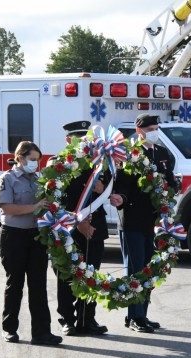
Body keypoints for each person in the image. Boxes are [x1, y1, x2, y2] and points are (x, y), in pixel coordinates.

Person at [110, 113, 176, 333]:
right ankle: (133, 317)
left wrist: (173, 188)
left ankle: (143, 314)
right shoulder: (129, 154)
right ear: (139, 132)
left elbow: (169, 181)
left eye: (156, 128)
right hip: (132, 220)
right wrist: (121, 198)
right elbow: (122, 186)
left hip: (153, 221)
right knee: (135, 269)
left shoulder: (163, 153)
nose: (155, 132)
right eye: (150, 129)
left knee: (148, 269)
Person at [0, 141, 62, 345]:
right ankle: (9, 329)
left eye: (38, 161)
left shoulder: (38, 179)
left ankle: (41, 333)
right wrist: (34, 207)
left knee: (38, 286)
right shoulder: (7, 179)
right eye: (32, 160)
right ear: (20, 158)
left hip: (35, 237)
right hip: (13, 236)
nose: (35, 164)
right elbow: (6, 207)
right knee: (15, 284)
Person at [56, 121, 110, 336]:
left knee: (91, 274)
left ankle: (88, 318)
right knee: (67, 275)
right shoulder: (59, 165)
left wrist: (102, 187)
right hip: (69, 229)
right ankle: (68, 319)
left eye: (86, 138)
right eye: (79, 138)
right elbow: (55, 202)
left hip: (96, 226)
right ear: (69, 140)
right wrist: (79, 223)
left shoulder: (97, 165)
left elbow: (105, 191)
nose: (84, 142)